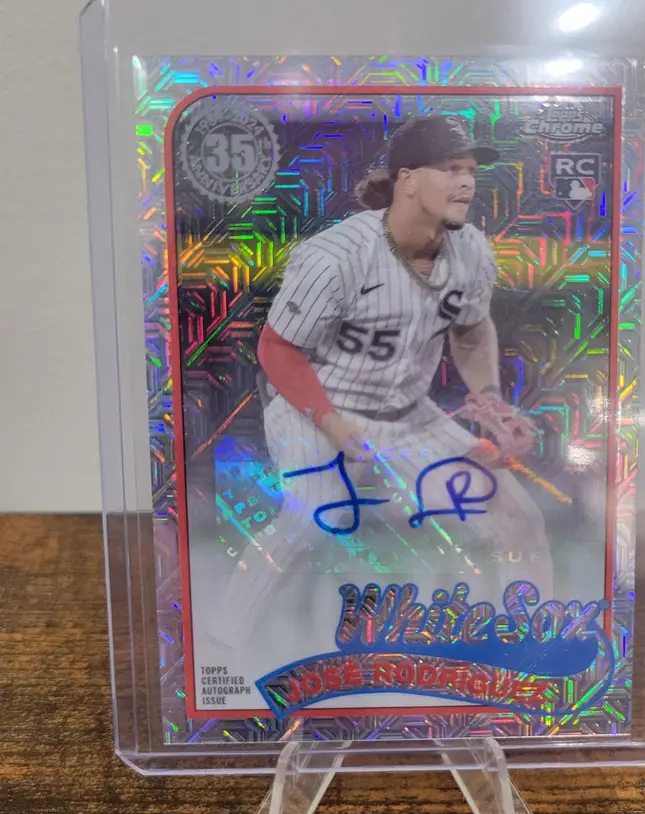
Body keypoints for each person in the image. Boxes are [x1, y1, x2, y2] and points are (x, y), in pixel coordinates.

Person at [208, 115, 553, 649]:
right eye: (451, 169)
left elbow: (470, 330)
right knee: (313, 515)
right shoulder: (337, 256)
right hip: (316, 405)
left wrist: (490, 400)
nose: (467, 182)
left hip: (410, 415)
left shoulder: (472, 250)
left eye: (470, 170)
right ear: (407, 180)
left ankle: (537, 648)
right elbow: (277, 349)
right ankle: (221, 646)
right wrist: (330, 421)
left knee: (517, 516)